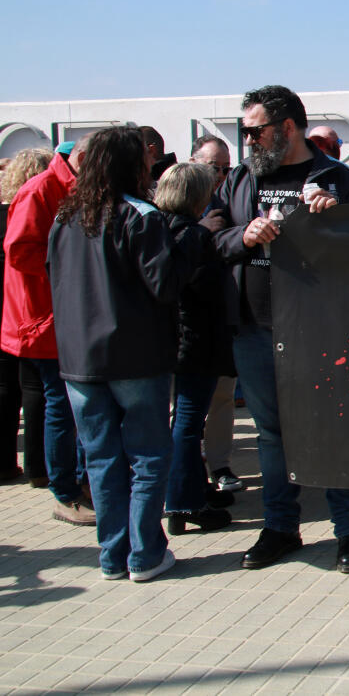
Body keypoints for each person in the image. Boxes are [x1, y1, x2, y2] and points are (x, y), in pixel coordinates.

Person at [213, 84, 349, 573]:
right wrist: (244, 235)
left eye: (255, 131)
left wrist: (339, 216)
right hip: (256, 330)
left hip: (321, 331)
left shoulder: (337, 177)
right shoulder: (240, 180)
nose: (248, 142)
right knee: (271, 434)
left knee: (334, 428)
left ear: (287, 128)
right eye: (244, 133)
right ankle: (280, 528)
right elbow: (211, 237)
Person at [48, 127, 205, 581]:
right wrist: (190, 245)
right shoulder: (142, 216)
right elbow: (165, 286)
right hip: (136, 356)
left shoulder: (65, 216)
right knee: (148, 456)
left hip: (80, 359)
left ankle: (113, 555)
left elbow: (52, 279)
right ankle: (144, 553)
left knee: (101, 460)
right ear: (131, 165)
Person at [1, 137, 94, 524]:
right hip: (42, 320)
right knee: (62, 407)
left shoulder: (69, 185)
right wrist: (70, 270)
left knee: (71, 406)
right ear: (85, 160)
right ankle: (65, 493)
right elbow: (19, 250)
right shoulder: (40, 189)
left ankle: (76, 484)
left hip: (61, 316)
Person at [154, 163, 236, 534]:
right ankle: (184, 504)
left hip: (174, 340)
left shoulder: (157, 227)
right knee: (187, 423)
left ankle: (189, 492)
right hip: (196, 341)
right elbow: (202, 291)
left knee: (183, 421)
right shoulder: (193, 235)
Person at [188, 135, 243, 494]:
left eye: (225, 168)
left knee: (223, 395)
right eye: (213, 167)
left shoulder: (232, 199)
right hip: (185, 318)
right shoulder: (172, 199)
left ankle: (220, 465)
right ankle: (187, 472)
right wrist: (197, 232)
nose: (221, 174)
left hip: (223, 314)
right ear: (194, 162)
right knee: (184, 405)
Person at [0, 147, 54, 484]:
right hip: (25, 308)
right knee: (35, 391)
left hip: (11, 311)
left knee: (7, 389)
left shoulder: (11, 209)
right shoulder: (32, 210)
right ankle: (39, 467)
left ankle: (6, 464)